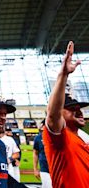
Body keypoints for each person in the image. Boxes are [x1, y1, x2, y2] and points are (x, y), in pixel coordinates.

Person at [43, 41, 89, 187]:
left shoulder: (82, 139)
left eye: (79, 107)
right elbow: (52, 115)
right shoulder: (59, 138)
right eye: (72, 108)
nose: (79, 111)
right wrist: (63, 75)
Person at [33, 119, 52, 188]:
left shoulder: (57, 136)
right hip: (45, 169)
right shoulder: (38, 138)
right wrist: (35, 169)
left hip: (57, 169)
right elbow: (35, 153)